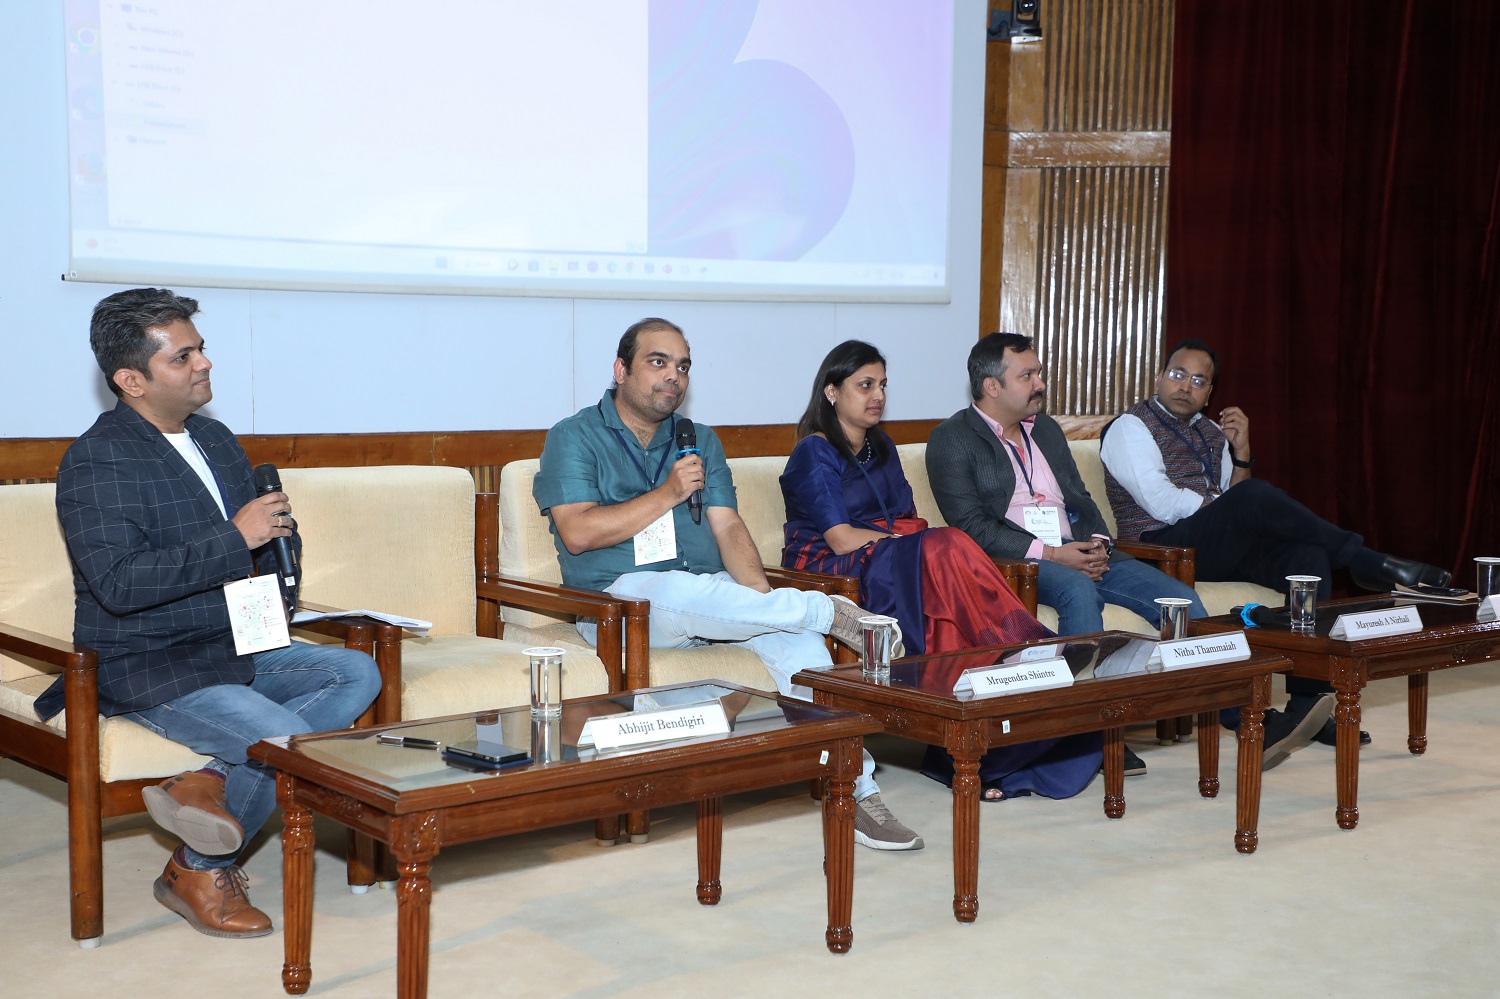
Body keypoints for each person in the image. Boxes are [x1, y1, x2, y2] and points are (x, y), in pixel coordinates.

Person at [45, 288, 381, 938]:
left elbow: (252, 545)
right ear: (131, 379)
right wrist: (238, 536)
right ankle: (200, 866)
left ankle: (205, 779)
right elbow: (118, 582)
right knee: (280, 740)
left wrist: (276, 558)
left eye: (200, 348)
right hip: (149, 661)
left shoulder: (216, 437)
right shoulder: (96, 459)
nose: (204, 364)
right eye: (184, 356)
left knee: (355, 673)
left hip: (233, 641)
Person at [533, 318, 923, 851]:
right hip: (623, 603)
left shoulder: (698, 440)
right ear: (621, 369)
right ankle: (824, 610)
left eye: (683, 366)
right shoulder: (573, 436)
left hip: (712, 595)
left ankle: (856, 788)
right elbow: (577, 533)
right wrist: (669, 492)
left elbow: (728, 527)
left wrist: (762, 608)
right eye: (658, 362)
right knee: (679, 591)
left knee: (803, 649)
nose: (674, 376)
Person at [1098, 338, 1452, 760]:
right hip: (1160, 548)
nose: (1184, 386)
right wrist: (1228, 504)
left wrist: (1242, 453)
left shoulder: (1212, 433)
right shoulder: (1130, 427)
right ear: (1159, 377)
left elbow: (1240, 503)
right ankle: (1367, 560)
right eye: (1177, 375)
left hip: (1211, 544)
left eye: (1198, 381)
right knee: (1254, 497)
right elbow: (1162, 501)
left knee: (1308, 561)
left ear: (1209, 393)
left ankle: (1307, 705)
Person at [780, 340, 1102, 801]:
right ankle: (1020, 645)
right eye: (865, 385)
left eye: (883, 385)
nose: (878, 396)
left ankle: (978, 737)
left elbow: (909, 517)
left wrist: (910, 542)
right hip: (835, 568)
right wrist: (909, 544)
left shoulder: (880, 446)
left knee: (945, 561)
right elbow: (839, 538)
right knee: (948, 543)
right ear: (832, 392)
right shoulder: (815, 451)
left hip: (891, 555)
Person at [925, 333, 1209, 640]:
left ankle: (1199, 687)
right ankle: (1078, 687)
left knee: (1182, 601)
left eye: (1039, 373)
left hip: (1077, 549)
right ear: (992, 386)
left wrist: (1097, 544)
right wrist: (1052, 555)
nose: (1040, 384)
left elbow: (1080, 497)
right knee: (1077, 588)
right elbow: (971, 527)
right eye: (1027, 376)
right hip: (1017, 561)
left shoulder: (1046, 429)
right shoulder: (952, 437)